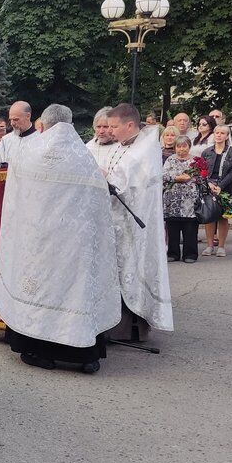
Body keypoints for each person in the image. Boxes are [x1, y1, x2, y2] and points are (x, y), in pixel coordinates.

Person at [0, 104, 120, 373]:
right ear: (70, 123)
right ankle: (86, 357)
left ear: (43, 124)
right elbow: (99, 208)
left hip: (39, 244)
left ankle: (42, 354)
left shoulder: (30, 154)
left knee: (43, 292)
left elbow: (16, 200)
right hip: (76, 247)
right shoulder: (84, 158)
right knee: (75, 293)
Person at [104, 103, 174, 339]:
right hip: (118, 221)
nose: (110, 131)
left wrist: (103, 175)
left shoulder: (144, 149)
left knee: (132, 270)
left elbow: (122, 182)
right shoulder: (127, 145)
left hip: (134, 224)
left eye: (115, 126)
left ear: (130, 125)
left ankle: (130, 329)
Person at [200, 124, 232, 257]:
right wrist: (209, 184)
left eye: (222, 133)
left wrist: (221, 186)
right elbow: (201, 171)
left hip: (226, 187)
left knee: (223, 218)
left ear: (227, 136)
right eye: (217, 132)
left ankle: (221, 246)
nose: (219, 135)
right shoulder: (206, 152)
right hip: (209, 187)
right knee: (209, 216)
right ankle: (209, 246)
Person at [162, 136, 205, 263]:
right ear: (175, 148)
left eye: (184, 146)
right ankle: (173, 253)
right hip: (172, 199)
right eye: (179, 146)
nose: (181, 149)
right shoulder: (170, 159)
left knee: (190, 227)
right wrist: (177, 178)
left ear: (189, 147)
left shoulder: (195, 160)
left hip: (190, 199)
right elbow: (164, 175)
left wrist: (190, 178)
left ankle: (190, 254)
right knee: (173, 227)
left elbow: (201, 177)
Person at [0, 101, 39, 165]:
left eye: (16, 119)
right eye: (10, 120)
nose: (12, 123)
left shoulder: (41, 139)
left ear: (28, 116)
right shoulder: (5, 141)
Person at [86, 106, 117, 171]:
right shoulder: (88, 147)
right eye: (98, 127)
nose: (101, 131)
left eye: (105, 127)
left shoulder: (120, 148)